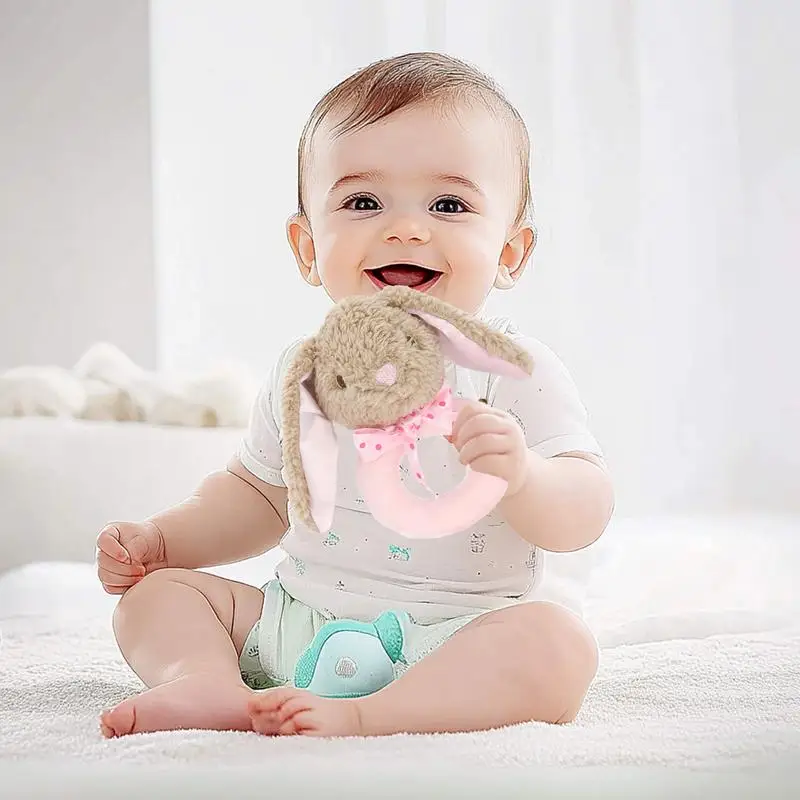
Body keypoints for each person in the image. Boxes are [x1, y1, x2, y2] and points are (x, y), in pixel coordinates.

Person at [96, 51, 614, 739]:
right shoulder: (302, 371)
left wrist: (525, 475)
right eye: (363, 202)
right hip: (296, 626)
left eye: (449, 204)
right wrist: (167, 538)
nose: (404, 228)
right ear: (307, 246)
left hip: (454, 641)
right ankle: (208, 683)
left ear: (511, 252)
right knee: (153, 600)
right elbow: (258, 496)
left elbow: (586, 510)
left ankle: (370, 715)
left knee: (558, 647)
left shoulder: (512, 371)